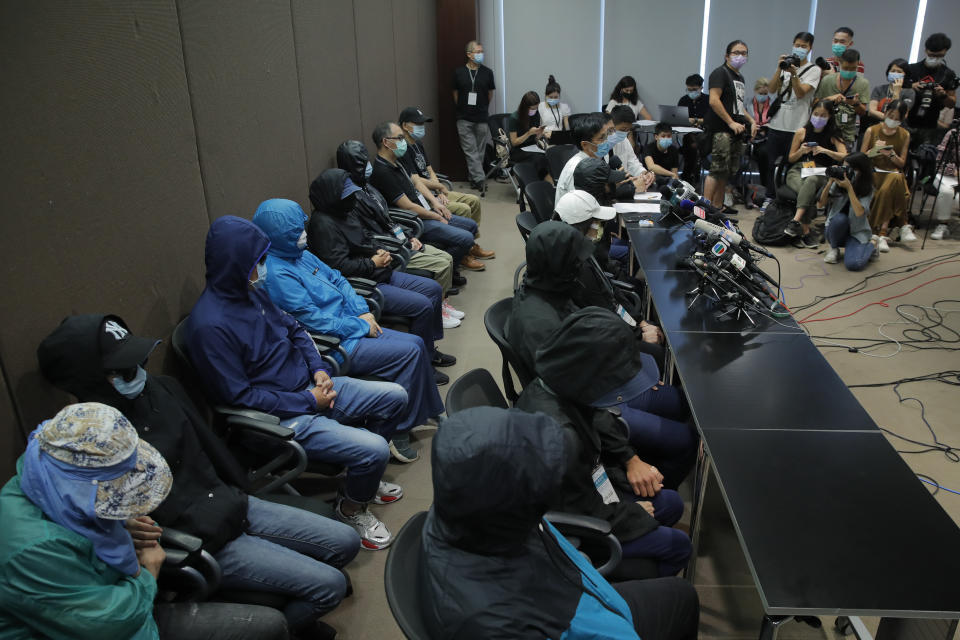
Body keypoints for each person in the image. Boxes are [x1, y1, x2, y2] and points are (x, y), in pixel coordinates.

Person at [36, 315, 360, 636]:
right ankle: (283, 632)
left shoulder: (161, 389)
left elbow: (212, 451)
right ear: (88, 380)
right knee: (329, 587)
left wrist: (241, 489)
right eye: (119, 371)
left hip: (231, 502)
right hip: (201, 538)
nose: (136, 373)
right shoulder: (87, 446)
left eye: (137, 361)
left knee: (346, 541)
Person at [186, 215, 408, 550]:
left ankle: (362, 480)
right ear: (237, 263)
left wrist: (318, 368)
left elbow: (295, 330)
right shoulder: (209, 327)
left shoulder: (251, 294)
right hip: (282, 415)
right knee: (375, 449)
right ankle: (351, 507)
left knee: (395, 396)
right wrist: (309, 402)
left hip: (311, 385)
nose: (263, 267)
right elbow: (239, 396)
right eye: (257, 261)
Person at [0, 403, 290, 640]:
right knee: (268, 624)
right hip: (107, 623)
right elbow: (106, 624)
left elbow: (86, 507)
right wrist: (149, 571)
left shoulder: (50, 474)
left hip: (114, 599)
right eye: (114, 488)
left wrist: (119, 523)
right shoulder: (32, 546)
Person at [420, 406, 700, 639]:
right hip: (571, 613)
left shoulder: (467, 505)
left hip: (569, 584)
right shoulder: (490, 621)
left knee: (682, 596)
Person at [253, 196, 446, 462]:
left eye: (301, 228)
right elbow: (312, 320)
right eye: (295, 231)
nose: (303, 234)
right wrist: (357, 324)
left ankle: (427, 410)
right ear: (278, 235)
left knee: (414, 343)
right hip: (335, 341)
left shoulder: (300, 254)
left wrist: (361, 310)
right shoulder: (277, 273)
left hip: (351, 321)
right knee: (410, 351)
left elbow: (338, 278)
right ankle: (398, 430)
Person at [507, 221, 695, 489]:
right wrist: (628, 458)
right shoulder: (539, 325)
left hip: (598, 386)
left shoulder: (554, 290)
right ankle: (651, 496)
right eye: (575, 261)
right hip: (594, 406)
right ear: (560, 264)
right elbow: (576, 402)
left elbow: (591, 351)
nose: (581, 266)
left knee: (678, 401)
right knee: (685, 440)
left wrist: (634, 372)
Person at [517, 307, 692, 576]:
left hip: (586, 492)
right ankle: (625, 600)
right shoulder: (562, 437)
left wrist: (630, 462)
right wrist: (632, 513)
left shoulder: (552, 385)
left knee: (671, 503)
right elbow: (578, 510)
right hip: (571, 530)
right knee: (678, 545)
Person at [309, 165, 464, 334]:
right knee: (424, 304)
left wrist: (380, 250)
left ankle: (430, 345)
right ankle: (427, 354)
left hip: (380, 270)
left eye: (352, 193)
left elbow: (368, 236)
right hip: (364, 284)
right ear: (332, 196)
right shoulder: (322, 225)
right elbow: (339, 267)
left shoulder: (345, 212)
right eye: (346, 195)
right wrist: (372, 263)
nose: (352, 198)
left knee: (433, 288)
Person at [334, 139, 456, 296]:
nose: (367, 165)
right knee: (442, 263)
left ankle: (441, 301)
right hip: (389, 247)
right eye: (361, 163)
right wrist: (401, 242)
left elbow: (387, 219)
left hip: (399, 237)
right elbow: (368, 236)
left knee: (446, 257)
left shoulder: (368, 187)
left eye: (366, 160)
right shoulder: (352, 200)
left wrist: (408, 235)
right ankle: (440, 305)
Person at [369, 121, 484, 275]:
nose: (403, 142)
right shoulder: (382, 171)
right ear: (386, 142)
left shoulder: (397, 162)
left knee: (471, 226)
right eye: (399, 138)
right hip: (415, 220)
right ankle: (449, 272)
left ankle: (452, 267)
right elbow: (408, 207)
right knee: (466, 238)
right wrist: (435, 215)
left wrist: (436, 203)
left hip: (426, 209)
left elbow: (416, 181)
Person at [396, 106, 495, 260]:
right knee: (464, 209)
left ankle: (470, 246)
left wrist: (439, 190)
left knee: (474, 200)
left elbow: (429, 170)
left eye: (423, 124)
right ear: (404, 126)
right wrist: (437, 189)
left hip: (434, 190)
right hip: (424, 195)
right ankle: (464, 253)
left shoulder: (418, 143)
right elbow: (415, 179)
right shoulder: (402, 150)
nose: (421, 127)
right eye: (417, 124)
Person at [764, 32, 822, 204]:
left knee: (790, 167)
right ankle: (770, 197)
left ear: (810, 48)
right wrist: (779, 68)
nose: (799, 48)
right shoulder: (785, 66)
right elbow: (772, 89)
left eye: (804, 46)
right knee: (771, 164)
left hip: (797, 127)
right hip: (776, 124)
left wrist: (794, 74)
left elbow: (801, 92)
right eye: (797, 45)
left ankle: (786, 200)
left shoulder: (814, 70)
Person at [782, 99, 848, 246]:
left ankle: (796, 222)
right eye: (816, 114)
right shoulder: (802, 132)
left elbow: (844, 155)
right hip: (798, 170)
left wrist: (825, 151)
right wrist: (801, 151)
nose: (818, 118)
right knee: (808, 190)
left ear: (830, 117)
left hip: (821, 172)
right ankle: (805, 230)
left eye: (823, 115)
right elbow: (791, 158)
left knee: (811, 180)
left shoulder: (833, 134)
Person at [703, 40, 759, 211]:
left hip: (735, 131)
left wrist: (751, 120)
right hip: (721, 130)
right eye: (736, 52)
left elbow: (738, 106)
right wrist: (730, 122)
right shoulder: (720, 73)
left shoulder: (739, 77)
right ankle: (704, 208)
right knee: (716, 170)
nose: (740, 56)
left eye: (744, 53)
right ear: (727, 55)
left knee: (726, 172)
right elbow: (713, 100)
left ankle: (718, 207)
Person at [861, 100, 914, 249]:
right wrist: (875, 151)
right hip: (874, 172)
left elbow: (901, 163)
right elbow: (861, 158)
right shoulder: (872, 130)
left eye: (897, 119)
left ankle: (879, 232)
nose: (893, 121)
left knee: (894, 180)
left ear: (902, 119)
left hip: (893, 172)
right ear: (885, 113)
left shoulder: (905, 134)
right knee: (893, 187)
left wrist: (891, 155)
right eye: (891, 116)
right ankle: (901, 225)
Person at [822, 152, 879, 269]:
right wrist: (829, 183)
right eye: (843, 167)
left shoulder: (868, 188)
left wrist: (849, 188)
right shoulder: (840, 181)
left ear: (860, 170)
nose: (845, 171)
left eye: (848, 168)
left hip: (857, 232)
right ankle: (833, 248)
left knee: (854, 264)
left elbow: (859, 212)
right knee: (840, 219)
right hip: (836, 229)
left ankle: (872, 244)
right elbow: (820, 204)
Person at [452, 40, 495, 190]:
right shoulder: (459, 72)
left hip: (482, 117)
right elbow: (456, 94)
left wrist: (482, 107)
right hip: (464, 118)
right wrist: (463, 107)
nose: (481, 54)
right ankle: (480, 179)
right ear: (469, 54)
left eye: (481, 51)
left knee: (479, 151)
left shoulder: (488, 72)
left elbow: (490, 94)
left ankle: (473, 178)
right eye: (478, 52)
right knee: (470, 150)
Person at [905, 33, 958, 148]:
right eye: (932, 55)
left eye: (939, 56)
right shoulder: (911, 69)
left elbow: (952, 103)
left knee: (925, 157)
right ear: (926, 50)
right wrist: (911, 86)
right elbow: (895, 92)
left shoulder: (948, 74)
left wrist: (943, 95)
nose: (934, 58)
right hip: (907, 121)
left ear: (945, 53)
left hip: (930, 125)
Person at [815, 48, 870, 151]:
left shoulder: (863, 84)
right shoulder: (827, 80)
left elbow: (862, 112)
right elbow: (814, 104)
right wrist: (828, 99)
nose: (849, 71)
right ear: (840, 63)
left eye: (853, 68)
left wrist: (855, 104)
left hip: (846, 135)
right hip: (824, 130)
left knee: (840, 164)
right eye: (846, 68)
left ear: (858, 65)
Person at [507, 90, 552, 181]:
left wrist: (540, 133)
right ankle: (540, 184)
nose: (534, 111)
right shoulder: (514, 118)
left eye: (536, 108)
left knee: (549, 156)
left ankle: (547, 184)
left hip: (532, 147)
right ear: (525, 107)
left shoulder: (536, 115)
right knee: (539, 159)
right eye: (532, 109)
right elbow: (514, 142)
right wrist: (529, 133)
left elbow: (535, 139)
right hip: (518, 151)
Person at [930, 127, 959, 240]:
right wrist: (955, 171)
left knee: (958, 199)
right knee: (946, 192)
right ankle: (943, 224)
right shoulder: (953, 134)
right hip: (946, 175)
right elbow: (940, 161)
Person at [868, 59, 916, 124]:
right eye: (893, 71)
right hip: (877, 125)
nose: (895, 74)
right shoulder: (879, 89)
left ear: (905, 75)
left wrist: (896, 93)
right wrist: (889, 118)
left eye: (899, 72)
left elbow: (902, 114)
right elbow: (871, 111)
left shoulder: (909, 92)